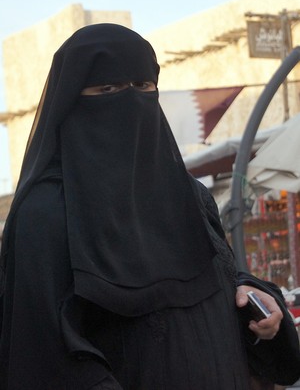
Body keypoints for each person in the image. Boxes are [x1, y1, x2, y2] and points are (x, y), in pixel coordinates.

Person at [0, 23, 299, 390]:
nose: (130, 101)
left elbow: (217, 280)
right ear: (72, 103)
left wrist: (258, 302)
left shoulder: (190, 196)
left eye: (142, 86)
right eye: (108, 89)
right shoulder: (47, 213)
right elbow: (44, 351)